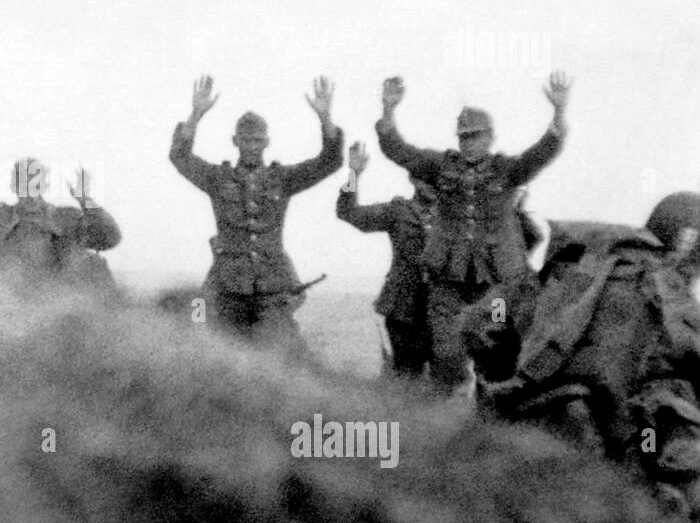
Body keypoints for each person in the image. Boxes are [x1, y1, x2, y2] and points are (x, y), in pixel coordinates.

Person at [466, 193, 700, 523]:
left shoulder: (562, 270)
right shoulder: (667, 290)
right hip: (611, 444)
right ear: (686, 244)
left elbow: (483, 326)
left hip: (526, 423)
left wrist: (501, 380)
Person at [375, 72, 571, 386]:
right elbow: (398, 151)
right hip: (448, 285)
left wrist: (558, 113)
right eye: (464, 136)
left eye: (475, 135)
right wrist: (388, 109)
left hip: (495, 287)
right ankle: (446, 421)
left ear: (490, 137)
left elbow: (541, 153)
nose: (469, 142)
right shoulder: (440, 166)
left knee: (495, 349)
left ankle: (489, 419)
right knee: (447, 353)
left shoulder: (506, 170)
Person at [170, 74, 343, 345]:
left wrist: (325, 117)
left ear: (266, 142)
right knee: (198, 325)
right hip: (227, 282)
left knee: (287, 353)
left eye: (257, 140)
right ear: (235, 141)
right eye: (246, 140)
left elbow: (329, 162)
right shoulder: (217, 178)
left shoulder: (283, 179)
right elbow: (179, 157)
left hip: (273, 285)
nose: (252, 146)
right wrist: (196, 114)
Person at [0, 152, 121, 288]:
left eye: (35, 184)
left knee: (96, 264)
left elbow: (109, 238)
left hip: (62, 311)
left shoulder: (67, 219)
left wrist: (86, 201)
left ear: (44, 186)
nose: (29, 192)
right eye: (23, 183)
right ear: (14, 186)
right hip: (15, 310)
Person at [336, 141, 434, 378]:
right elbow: (349, 212)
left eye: (435, 178)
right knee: (405, 378)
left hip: (442, 308)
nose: (430, 184)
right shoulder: (397, 211)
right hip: (403, 309)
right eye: (423, 177)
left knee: (446, 381)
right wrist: (353, 175)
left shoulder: (457, 217)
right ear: (413, 180)